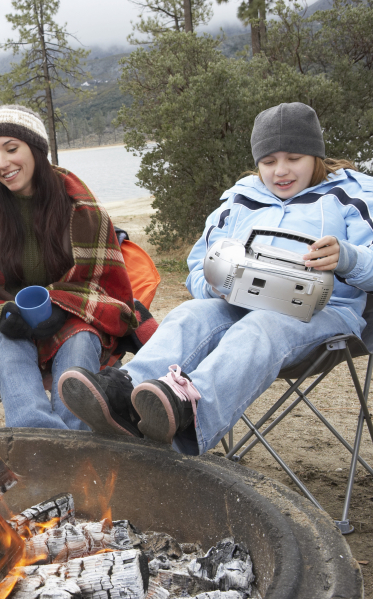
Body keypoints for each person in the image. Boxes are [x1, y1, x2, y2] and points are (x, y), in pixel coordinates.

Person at [60, 102, 373, 455]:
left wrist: (347, 257)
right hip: (240, 304)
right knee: (188, 315)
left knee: (260, 327)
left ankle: (188, 418)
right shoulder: (241, 198)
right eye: (268, 162)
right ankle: (124, 395)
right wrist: (214, 284)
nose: (280, 171)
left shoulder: (353, 194)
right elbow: (199, 263)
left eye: (294, 158)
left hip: (321, 315)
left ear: (315, 155)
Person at [0, 105, 139, 430]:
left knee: (81, 341)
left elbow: (106, 288)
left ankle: (68, 450)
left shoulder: (83, 209)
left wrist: (62, 305)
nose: (2, 164)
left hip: (73, 319)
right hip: (6, 323)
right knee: (7, 342)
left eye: (11, 149)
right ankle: (42, 441)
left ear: (36, 148)